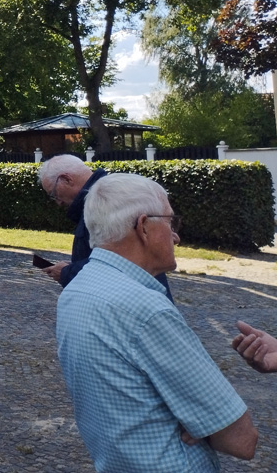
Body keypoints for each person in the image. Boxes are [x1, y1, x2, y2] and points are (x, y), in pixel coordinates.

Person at [56, 173, 257, 470]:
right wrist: (204, 422)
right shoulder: (146, 309)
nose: (175, 235)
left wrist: (195, 417)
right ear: (144, 228)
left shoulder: (78, 289)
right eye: (170, 222)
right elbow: (241, 440)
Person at [39, 155, 173, 299]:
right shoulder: (104, 196)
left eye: (54, 194)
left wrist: (67, 272)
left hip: (135, 302)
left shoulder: (107, 200)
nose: (57, 202)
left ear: (67, 179)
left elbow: (124, 259)